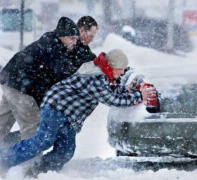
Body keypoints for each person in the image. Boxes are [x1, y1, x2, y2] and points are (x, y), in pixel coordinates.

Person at [0, 49, 157, 178]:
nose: (122, 73)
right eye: (121, 69)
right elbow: (111, 99)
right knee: (44, 140)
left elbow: (112, 89)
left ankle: (38, 172)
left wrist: (130, 90)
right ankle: (4, 159)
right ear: (112, 66)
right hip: (55, 107)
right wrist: (139, 96)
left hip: (68, 115)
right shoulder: (96, 76)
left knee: (65, 151)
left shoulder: (103, 73)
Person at [0, 16, 98, 147]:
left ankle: (7, 153)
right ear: (80, 31)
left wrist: (101, 64)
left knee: (3, 121)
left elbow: (84, 58)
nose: (91, 39)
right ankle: (26, 164)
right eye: (90, 35)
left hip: (10, 80)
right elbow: (60, 73)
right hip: (21, 87)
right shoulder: (55, 47)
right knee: (33, 126)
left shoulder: (60, 42)